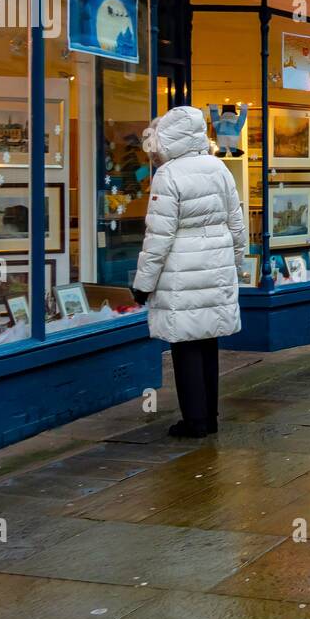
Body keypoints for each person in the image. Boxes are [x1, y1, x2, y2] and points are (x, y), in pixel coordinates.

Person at [132, 106, 247, 438]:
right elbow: (236, 223)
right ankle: (208, 416)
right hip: (216, 267)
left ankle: (194, 421)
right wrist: (236, 263)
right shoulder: (219, 168)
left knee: (185, 347)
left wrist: (143, 284)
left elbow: (159, 236)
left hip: (182, 273)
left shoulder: (169, 175)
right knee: (208, 343)